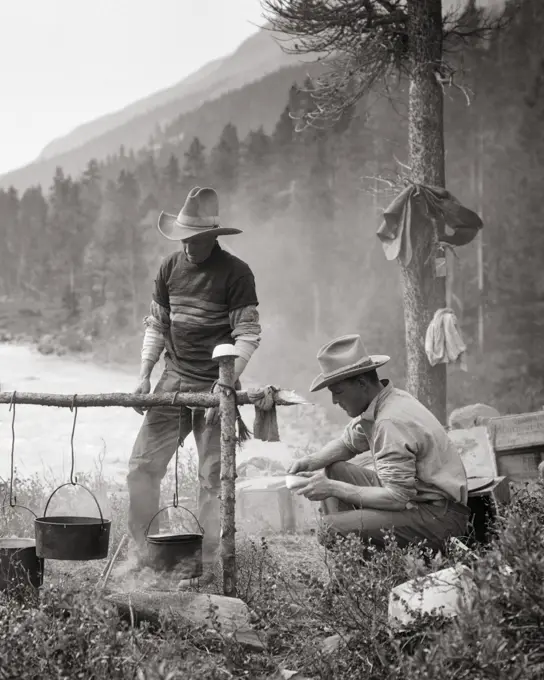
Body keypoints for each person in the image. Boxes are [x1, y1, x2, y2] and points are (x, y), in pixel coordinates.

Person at [126, 186, 261, 581]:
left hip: (216, 383)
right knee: (142, 467)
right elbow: (157, 324)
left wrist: (228, 381)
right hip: (173, 377)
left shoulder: (236, 273)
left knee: (214, 479)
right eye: (183, 237)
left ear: (212, 237)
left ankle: (204, 563)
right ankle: (144, 552)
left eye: (195, 239)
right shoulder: (170, 268)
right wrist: (143, 375)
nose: (188, 245)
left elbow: (248, 334)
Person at [290, 334, 470, 554]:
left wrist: (332, 487)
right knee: (335, 469)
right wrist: (310, 462)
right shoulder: (388, 400)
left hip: (439, 518)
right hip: (418, 501)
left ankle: (358, 569)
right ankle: (358, 557)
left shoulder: (389, 421)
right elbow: (348, 444)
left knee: (328, 529)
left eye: (338, 392)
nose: (335, 401)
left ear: (362, 384)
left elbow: (397, 498)